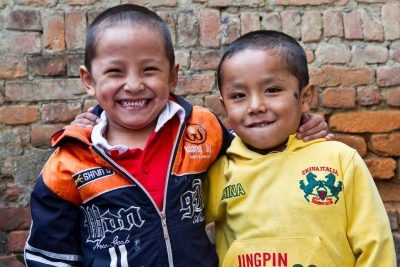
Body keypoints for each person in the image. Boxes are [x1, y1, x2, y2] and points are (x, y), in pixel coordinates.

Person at [24, 4, 330, 266]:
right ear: (89, 81)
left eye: (149, 70)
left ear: (172, 76)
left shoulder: (202, 129)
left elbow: (255, 152)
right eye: (115, 72)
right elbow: (50, 255)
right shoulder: (69, 162)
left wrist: (301, 126)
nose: (133, 84)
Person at [205, 30, 396, 267]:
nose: (255, 106)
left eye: (272, 90)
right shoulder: (220, 170)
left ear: (305, 97)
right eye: (239, 95)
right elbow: (179, 229)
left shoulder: (339, 160)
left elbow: (375, 244)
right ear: (224, 106)